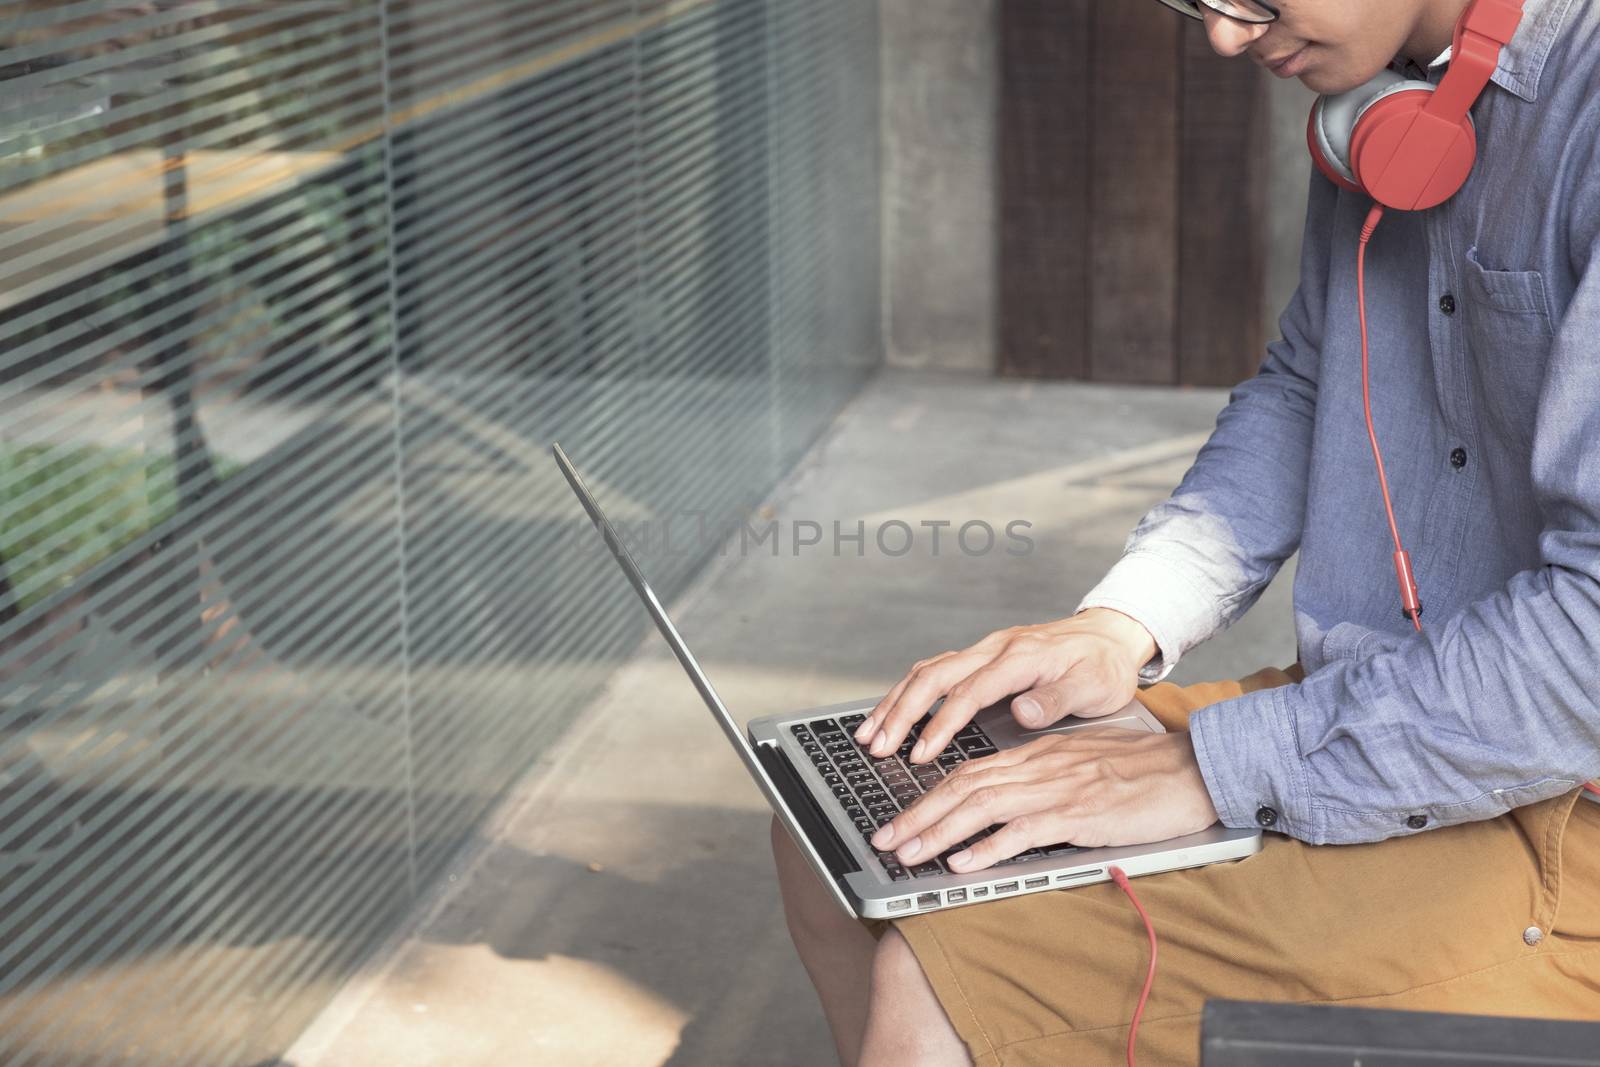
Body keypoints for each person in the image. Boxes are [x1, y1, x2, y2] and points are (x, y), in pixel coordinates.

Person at [770, 0, 1600, 1063]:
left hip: (1560, 804)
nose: (1221, 35)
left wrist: (1205, 771)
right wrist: (1121, 624)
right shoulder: (1383, 95)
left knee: (952, 965)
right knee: (850, 824)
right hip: (1390, 701)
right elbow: (1314, 382)